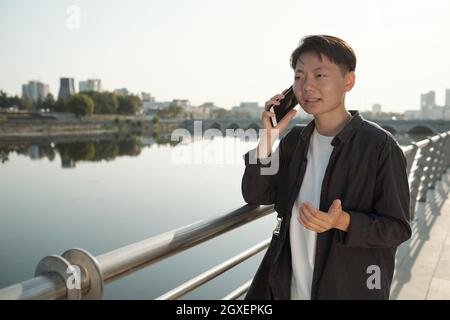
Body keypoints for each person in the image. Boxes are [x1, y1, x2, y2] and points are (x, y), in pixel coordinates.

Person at [241, 35, 412, 300]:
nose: (307, 86)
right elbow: (255, 194)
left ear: (349, 81)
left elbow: (397, 228)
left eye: (319, 75)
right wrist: (269, 138)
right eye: (299, 77)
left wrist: (343, 221)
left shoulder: (380, 147)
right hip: (287, 288)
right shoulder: (294, 141)